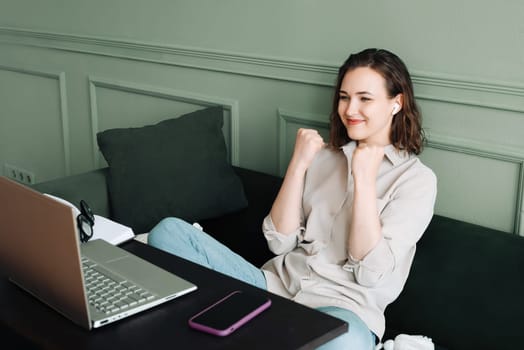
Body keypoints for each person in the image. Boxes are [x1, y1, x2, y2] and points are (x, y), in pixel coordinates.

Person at [148, 48, 437, 349]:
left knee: (344, 343)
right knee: (168, 232)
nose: (350, 109)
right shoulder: (323, 157)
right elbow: (279, 242)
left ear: (396, 103)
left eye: (365, 98)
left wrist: (364, 179)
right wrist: (298, 164)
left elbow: (370, 273)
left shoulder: (417, 181)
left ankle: (243, 330)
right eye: (344, 97)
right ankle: (251, 326)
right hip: (274, 289)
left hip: (345, 309)